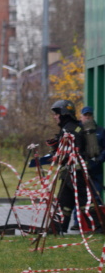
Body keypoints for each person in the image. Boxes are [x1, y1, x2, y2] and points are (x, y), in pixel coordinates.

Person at [47, 100, 87, 233]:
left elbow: (72, 152)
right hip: (70, 173)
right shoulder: (70, 128)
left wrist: (57, 156)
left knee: (85, 202)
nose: (54, 116)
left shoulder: (70, 129)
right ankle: (57, 228)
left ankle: (98, 225)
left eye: (56, 114)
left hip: (75, 173)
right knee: (65, 202)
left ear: (64, 114)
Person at [80, 106, 105, 197]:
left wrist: (99, 159)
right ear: (81, 117)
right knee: (81, 196)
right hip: (81, 168)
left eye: (89, 115)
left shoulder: (100, 131)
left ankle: (97, 210)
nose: (87, 117)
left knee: (96, 196)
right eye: (85, 115)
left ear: (93, 116)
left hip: (96, 169)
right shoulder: (77, 131)